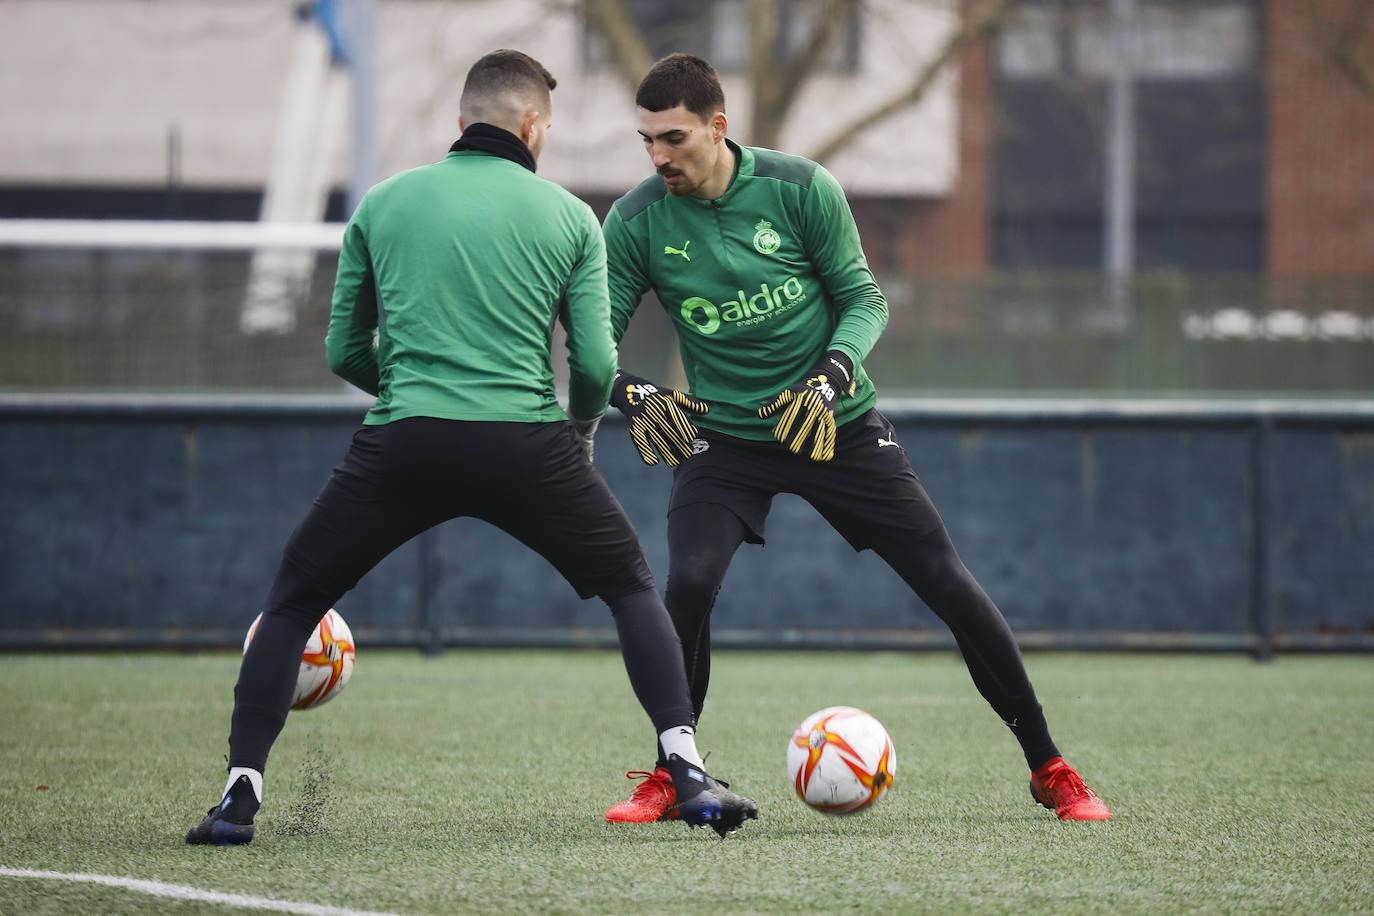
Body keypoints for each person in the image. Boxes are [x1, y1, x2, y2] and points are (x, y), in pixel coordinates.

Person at [186, 49, 757, 845]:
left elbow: (342, 351)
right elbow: (592, 366)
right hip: (529, 446)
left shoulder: (384, 205)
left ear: (461, 123)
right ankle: (687, 768)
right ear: (531, 126)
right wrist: (581, 433)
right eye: (547, 128)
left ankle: (240, 795)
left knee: (289, 603)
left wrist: (411, 389)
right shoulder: (566, 216)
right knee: (630, 587)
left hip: (404, 442)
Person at [599, 53, 1110, 823]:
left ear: (718, 127)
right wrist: (628, 391)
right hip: (723, 439)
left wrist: (830, 377)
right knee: (689, 586)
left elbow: (863, 299)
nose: (658, 156)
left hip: (831, 421)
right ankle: (680, 774)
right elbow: (595, 345)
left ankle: (1049, 764)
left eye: (673, 137)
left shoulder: (801, 188)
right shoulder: (636, 219)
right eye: (646, 140)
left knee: (948, 583)